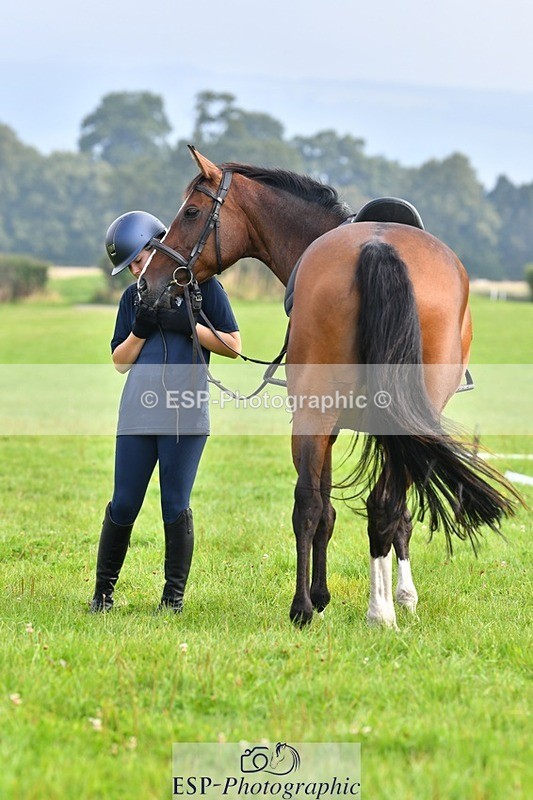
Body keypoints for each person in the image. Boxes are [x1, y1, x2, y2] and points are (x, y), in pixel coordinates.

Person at [89, 210, 241, 613]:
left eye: (139, 260)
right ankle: (102, 594)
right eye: (130, 267)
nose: (136, 271)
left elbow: (234, 345)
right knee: (123, 503)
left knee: (175, 504)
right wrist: (140, 329)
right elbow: (120, 361)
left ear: (157, 246)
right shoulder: (131, 298)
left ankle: (172, 601)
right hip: (137, 412)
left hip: (185, 414)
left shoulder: (203, 288)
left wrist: (187, 326)